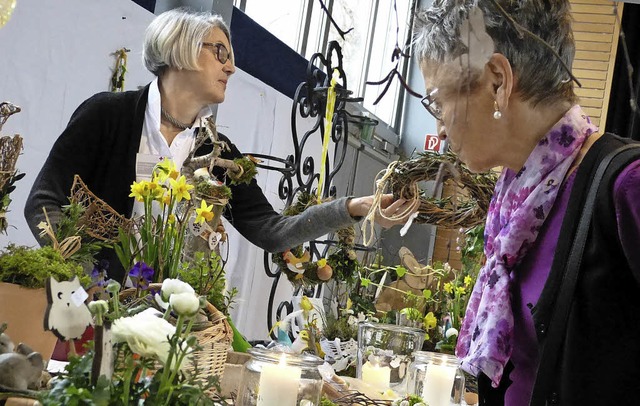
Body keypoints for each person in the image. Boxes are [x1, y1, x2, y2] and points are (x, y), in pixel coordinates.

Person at [24, 8, 414, 283]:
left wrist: (350, 209)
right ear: (180, 48)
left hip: (167, 325)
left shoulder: (221, 155)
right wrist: (81, 274)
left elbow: (271, 230)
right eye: (220, 52)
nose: (230, 67)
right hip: (85, 312)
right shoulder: (107, 115)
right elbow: (43, 200)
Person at [413, 1, 640, 405]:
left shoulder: (626, 185)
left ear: (498, 80)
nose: (439, 128)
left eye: (436, 100)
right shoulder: (516, 204)